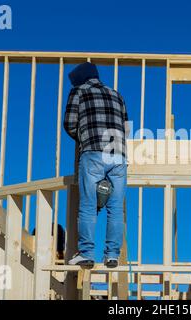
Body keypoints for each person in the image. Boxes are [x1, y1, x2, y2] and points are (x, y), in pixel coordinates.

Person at [63, 62, 129, 269]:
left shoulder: (78, 92)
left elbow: (70, 123)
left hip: (93, 152)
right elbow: (126, 128)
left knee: (89, 206)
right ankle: (112, 256)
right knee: (116, 208)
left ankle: (87, 253)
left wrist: (83, 137)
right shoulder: (116, 94)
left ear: (80, 79)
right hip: (118, 155)